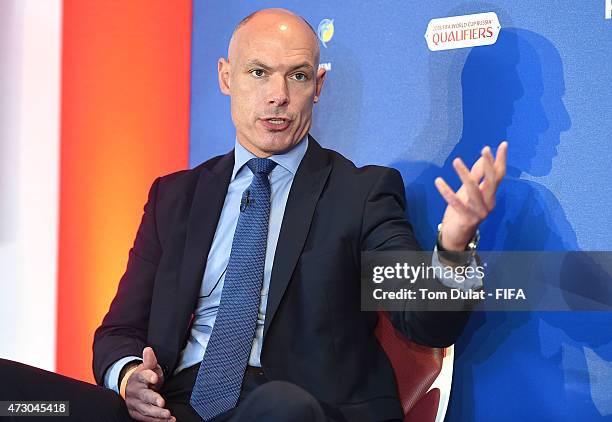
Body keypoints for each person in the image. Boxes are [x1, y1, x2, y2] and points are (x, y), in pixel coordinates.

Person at [0, 8, 507, 422]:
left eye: (298, 75)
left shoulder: (361, 192)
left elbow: (424, 322)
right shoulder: (173, 197)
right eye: (258, 72)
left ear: (319, 86)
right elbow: (116, 333)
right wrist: (130, 376)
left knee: (281, 409)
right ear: (226, 77)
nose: (278, 95)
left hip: (294, 405)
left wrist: (454, 245)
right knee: (18, 398)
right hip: (173, 407)